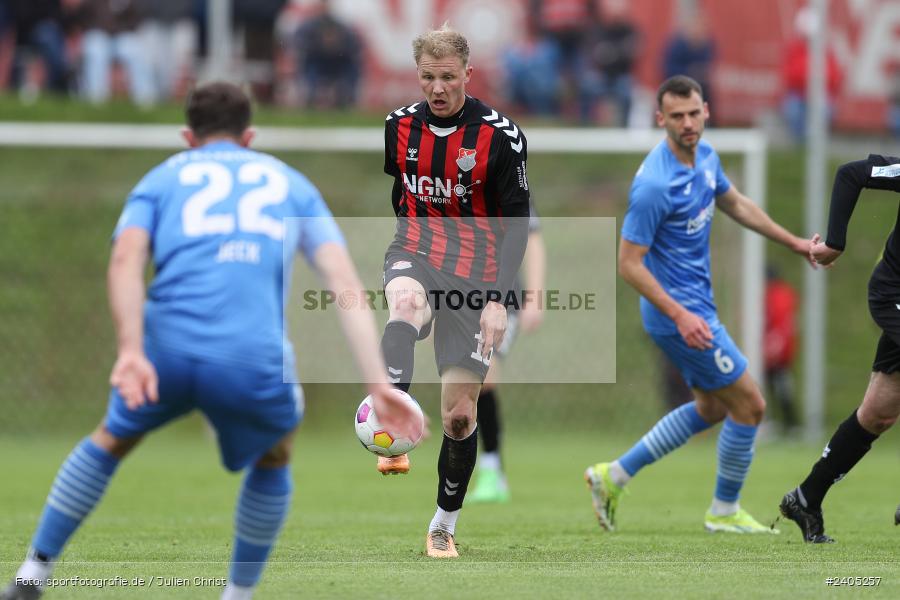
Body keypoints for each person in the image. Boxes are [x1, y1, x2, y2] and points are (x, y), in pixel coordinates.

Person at [0, 82, 421, 600]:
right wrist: (378, 384)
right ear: (249, 137)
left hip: (165, 352)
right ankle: (237, 595)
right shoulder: (289, 182)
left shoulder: (159, 180)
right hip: (251, 358)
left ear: (187, 136)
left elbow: (125, 260)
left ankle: (31, 574)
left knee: (110, 439)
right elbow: (343, 282)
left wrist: (131, 352)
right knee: (274, 455)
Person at [584, 75, 812, 534]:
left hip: (696, 308)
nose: (687, 123)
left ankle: (614, 476)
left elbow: (737, 204)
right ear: (660, 119)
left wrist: (794, 243)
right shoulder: (654, 184)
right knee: (751, 404)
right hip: (678, 315)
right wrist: (680, 314)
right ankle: (723, 511)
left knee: (711, 408)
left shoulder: (706, 157)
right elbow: (629, 264)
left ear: (706, 110)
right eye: (677, 116)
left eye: (693, 113)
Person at [378, 24, 530, 558]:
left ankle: (443, 524)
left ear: (468, 73)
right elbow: (403, 197)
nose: (437, 88)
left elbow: (517, 226)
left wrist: (497, 300)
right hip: (416, 254)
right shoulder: (398, 126)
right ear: (416, 76)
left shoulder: (500, 135)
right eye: (427, 78)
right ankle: (391, 416)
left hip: (478, 277)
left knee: (460, 416)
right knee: (405, 302)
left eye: (447, 77)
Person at [780, 154, 900, 543]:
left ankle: (806, 497)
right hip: (894, 294)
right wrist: (834, 242)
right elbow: (852, 173)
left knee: (878, 413)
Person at [467, 211, 545, 504]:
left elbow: (532, 237)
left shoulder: (510, 172)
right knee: (462, 384)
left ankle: (491, 471)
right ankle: (471, 468)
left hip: (503, 297)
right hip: (458, 294)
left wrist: (535, 297)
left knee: (483, 377)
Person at [763, 265, 799, 433]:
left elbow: (781, 324)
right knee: (775, 385)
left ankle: (790, 424)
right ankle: (782, 423)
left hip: (777, 350)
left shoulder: (777, 295)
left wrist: (774, 348)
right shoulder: (783, 294)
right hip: (779, 349)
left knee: (780, 387)